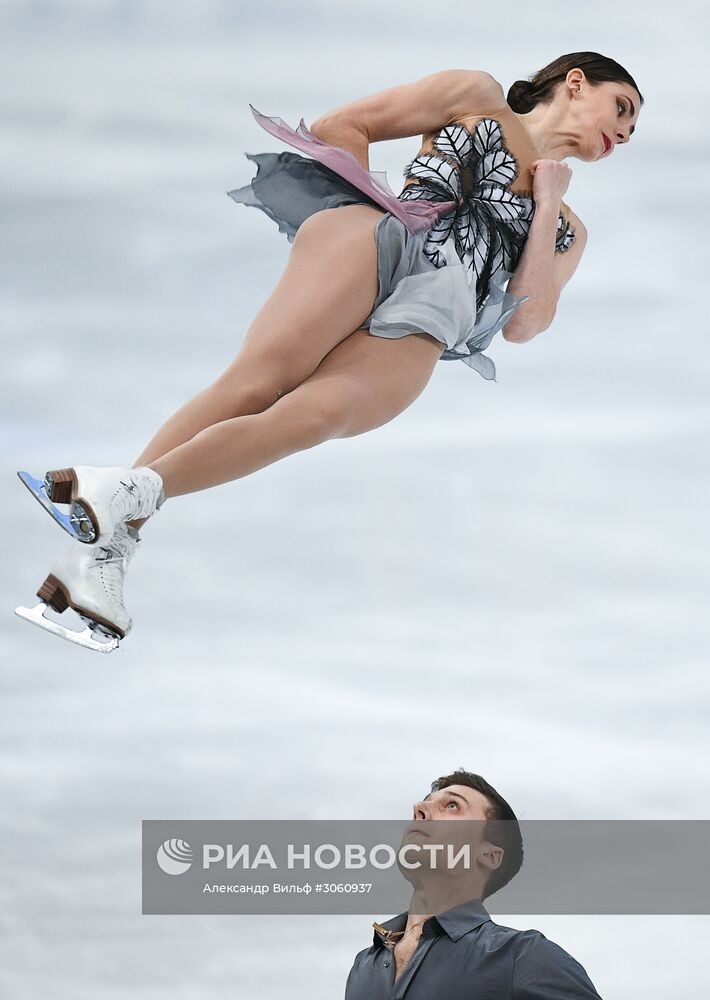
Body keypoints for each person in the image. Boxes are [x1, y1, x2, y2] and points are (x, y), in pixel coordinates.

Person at [17, 51, 642, 651]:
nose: (625, 131)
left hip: (434, 311)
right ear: (576, 82)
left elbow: (525, 322)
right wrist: (372, 219)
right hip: (375, 241)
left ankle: (108, 520)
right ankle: (111, 530)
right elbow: (344, 126)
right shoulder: (475, 95)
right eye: (622, 108)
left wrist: (549, 201)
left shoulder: (567, 228)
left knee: (311, 419)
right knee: (259, 382)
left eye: (634, 128)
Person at [344, 769, 603, 999]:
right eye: (425, 802)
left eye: (452, 806)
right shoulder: (363, 966)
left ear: (489, 856)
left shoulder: (523, 956)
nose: (418, 808)